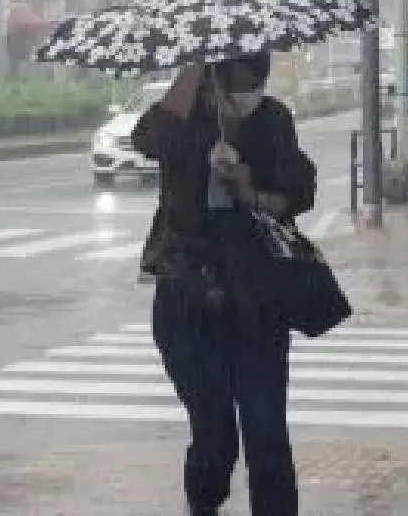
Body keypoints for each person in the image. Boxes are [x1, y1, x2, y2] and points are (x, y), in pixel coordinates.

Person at [131, 54, 316, 516]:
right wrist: (190, 71)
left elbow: (297, 192)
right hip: (186, 295)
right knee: (213, 430)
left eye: (255, 78)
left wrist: (248, 187)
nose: (247, 90)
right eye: (234, 79)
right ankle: (205, 502)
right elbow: (145, 138)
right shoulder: (183, 119)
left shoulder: (271, 119)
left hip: (254, 297)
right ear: (211, 81)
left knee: (266, 429)